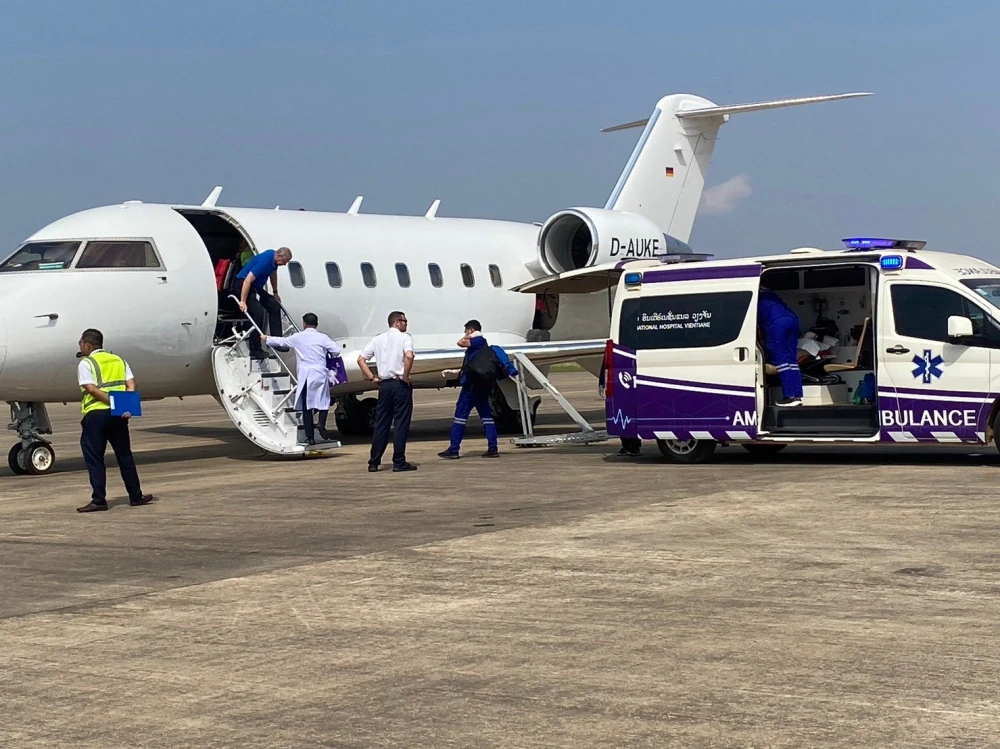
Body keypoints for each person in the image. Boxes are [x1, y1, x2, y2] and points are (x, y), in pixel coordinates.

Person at [75, 329, 154, 512]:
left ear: (87, 344)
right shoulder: (119, 360)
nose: (80, 346)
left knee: (95, 459)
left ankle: (99, 500)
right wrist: (124, 407)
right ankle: (135, 496)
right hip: (118, 416)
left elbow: (91, 389)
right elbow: (131, 384)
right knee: (125, 455)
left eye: (80, 343)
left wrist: (113, 403)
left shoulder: (87, 363)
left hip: (96, 415)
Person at [262, 313, 343, 445]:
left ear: (304, 323)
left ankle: (310, 437)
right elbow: (336, 350)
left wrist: (266, 338)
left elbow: (281, 341)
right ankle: (321, 423)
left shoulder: (298, 337)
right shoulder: (322, 337)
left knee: (307, 407)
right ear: (317, 324)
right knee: (323, 401)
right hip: (320, 373)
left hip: (306, 375)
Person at [358, 311, 417, 473]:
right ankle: (398, 461)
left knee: (381, 423)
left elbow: (361, 359)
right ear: (397, 322)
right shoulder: (405, 337)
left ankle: (374, 461)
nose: (406, 323)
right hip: (399, 383)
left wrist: (371, 377)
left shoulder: (377, 339)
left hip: (384, 385)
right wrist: (405, 375)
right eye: (404, 321)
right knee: (400, 423)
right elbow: (409, 356)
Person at [438, 320, 503, 459]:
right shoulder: (483, 344)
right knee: (486, 416)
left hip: (471, 386)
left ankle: (454, 448)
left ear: (471, 330)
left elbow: (460, 343)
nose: (465, 334)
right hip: (482, 385)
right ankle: (493, 447)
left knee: (460, 416)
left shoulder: (477, 340)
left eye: (466, 331)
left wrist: (470, 335)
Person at [236, 246, 292, 359]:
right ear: (279, 256)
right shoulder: (266, 261)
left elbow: (273, 274)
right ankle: (255, 349)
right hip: (242, 285)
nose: (284, 264)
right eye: (284, 262)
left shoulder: (273, 260)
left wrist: (275, 292)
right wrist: (243, 301)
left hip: (255, 287)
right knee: (258, 312)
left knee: (274, 306)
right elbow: (248, 279)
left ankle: (276, 341)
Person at [758, 288, 804, 407]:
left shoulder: (756, 296)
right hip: (792, 318)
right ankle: (797, 395)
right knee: (791, 360)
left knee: (781, 360)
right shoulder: (770, 294)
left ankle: (790, 396)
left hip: (776, 322)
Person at [598, 356, 641, 456]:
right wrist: (602, 382)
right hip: (618, 385)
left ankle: (634, 445)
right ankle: (627, 445)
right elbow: (606, 365)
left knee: (629, 416)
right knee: (621, 416)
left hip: (629, 385)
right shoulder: (614, 352)